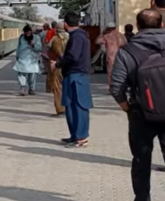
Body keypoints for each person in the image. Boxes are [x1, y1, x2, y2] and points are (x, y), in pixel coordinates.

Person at [109, 9, 165, 201]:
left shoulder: (127, 51)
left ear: (137, 27)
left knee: (141, 161)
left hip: (141, 115)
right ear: (161, 25)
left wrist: (128, 109)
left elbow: (116, 87)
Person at [52, 12, 92, 148]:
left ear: (65, 24)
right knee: (71, 106)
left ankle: (81, 137)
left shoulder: (77, 37)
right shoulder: (79, 36)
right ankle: (75, 135)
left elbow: (72, 56)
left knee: (78, 106)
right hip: (75, 75)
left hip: (76, 75)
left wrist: (58, 63)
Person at [46, 23, 69, 116]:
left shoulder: (55, 39)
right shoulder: (71, 38)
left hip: (58, 65)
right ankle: (69, 108)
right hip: (69, 66)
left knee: (58, 88)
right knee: (68, 87)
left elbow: (49, 48)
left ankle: (60, 109)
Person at [96, 23, 128, 88]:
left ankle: (112, 87)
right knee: (121, 72)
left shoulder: (107, 36)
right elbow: (125, 44)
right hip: (121, 56)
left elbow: (97, 41)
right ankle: (121, 87)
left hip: (111, 56)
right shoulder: (121, 35)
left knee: (110, 73)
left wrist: (103, 33)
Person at [14, 25, 42, 95]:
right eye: (26, 33)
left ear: (31, 32)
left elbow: (39, 48)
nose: (27, 34)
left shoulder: (36, 38)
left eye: (29, 33)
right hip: (22, 58)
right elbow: (18, 46)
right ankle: (22, 88)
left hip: (32, 60)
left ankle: (31, 89)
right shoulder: (21, 37)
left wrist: (33, 45)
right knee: (21, 74)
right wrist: (17, 55)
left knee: (32, 76)